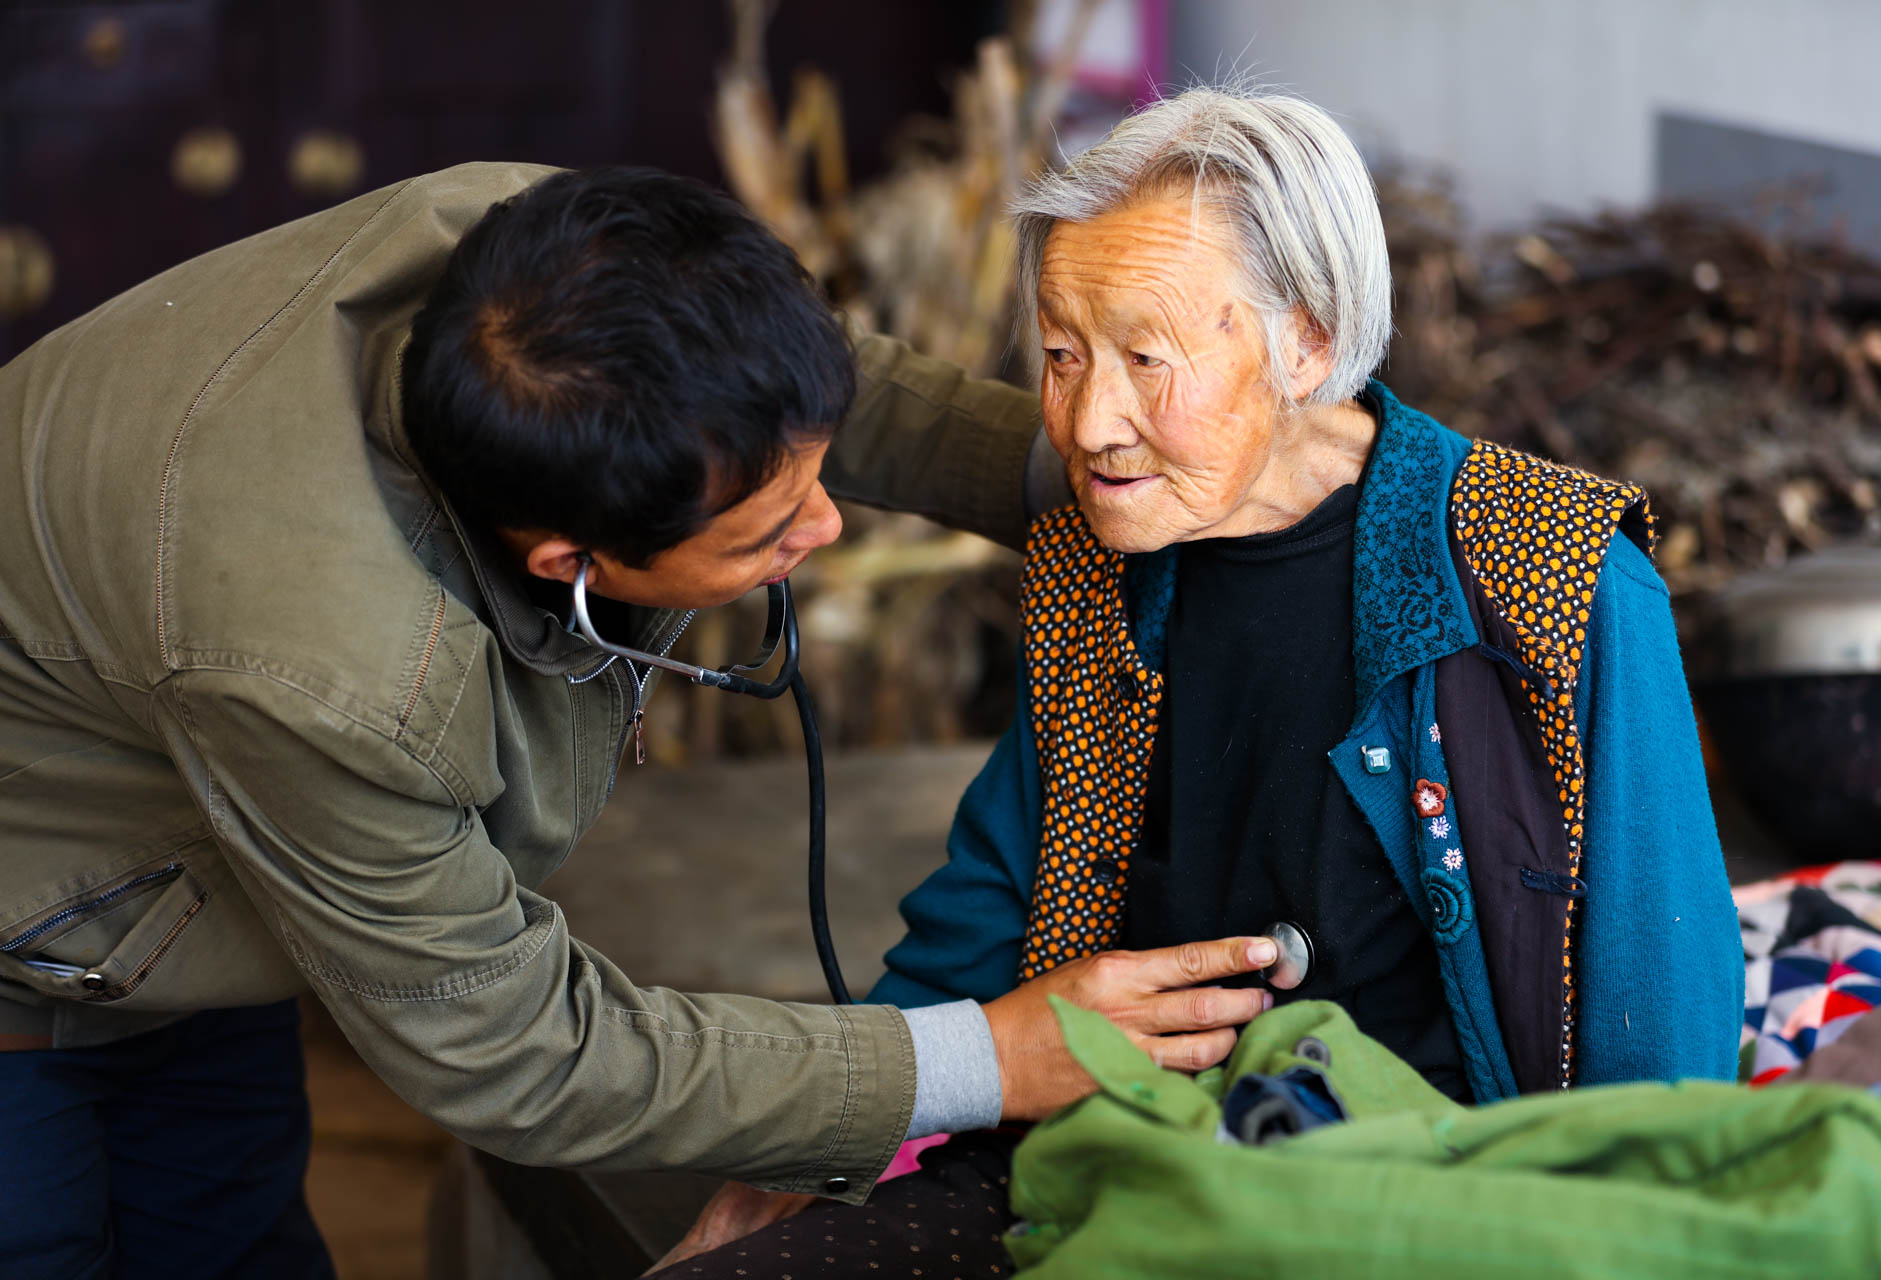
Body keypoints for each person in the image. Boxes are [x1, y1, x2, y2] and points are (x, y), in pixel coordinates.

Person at [0, 163, 1283, 1279]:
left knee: (226, 1238)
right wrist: (982, 1058)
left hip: (173, 880)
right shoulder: (325, 673)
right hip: (33, 935)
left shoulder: (539, 257)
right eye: (768, 534)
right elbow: (512, 1046)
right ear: (571, 561)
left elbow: (821, 395)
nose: (826, 525)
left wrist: (1117, 467)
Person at [649, 86, 1745, 1278]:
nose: (1090, 421)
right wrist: (809, 1146)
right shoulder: (1095, 556)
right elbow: (992, 897)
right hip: (1108, 1152)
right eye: (1063, 354)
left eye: (1145, 357)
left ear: (1308, 343)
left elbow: (1662, 1033)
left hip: (1418, 1195)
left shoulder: (1550, 576)